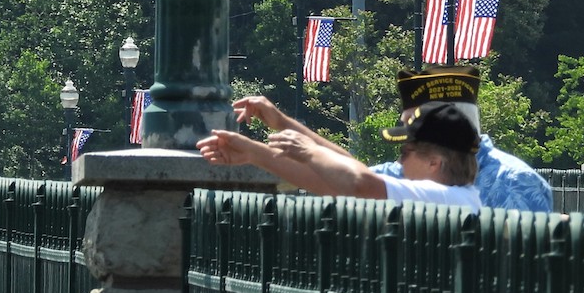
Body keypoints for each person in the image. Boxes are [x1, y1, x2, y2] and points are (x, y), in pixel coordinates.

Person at [197, 101, 482, 209]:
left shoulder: (446, 200)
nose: (399, 159)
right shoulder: (449, 194)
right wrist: (260, 147)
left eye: (406, 151)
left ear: (435, 162)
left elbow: (359, 182)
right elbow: (343, 177)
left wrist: (308, 152)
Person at [368, 66, 551, 212]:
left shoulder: (514, 182)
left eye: (415, 125)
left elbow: (524, 255)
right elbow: (355, 180)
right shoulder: (402, 170)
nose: (407, 140)